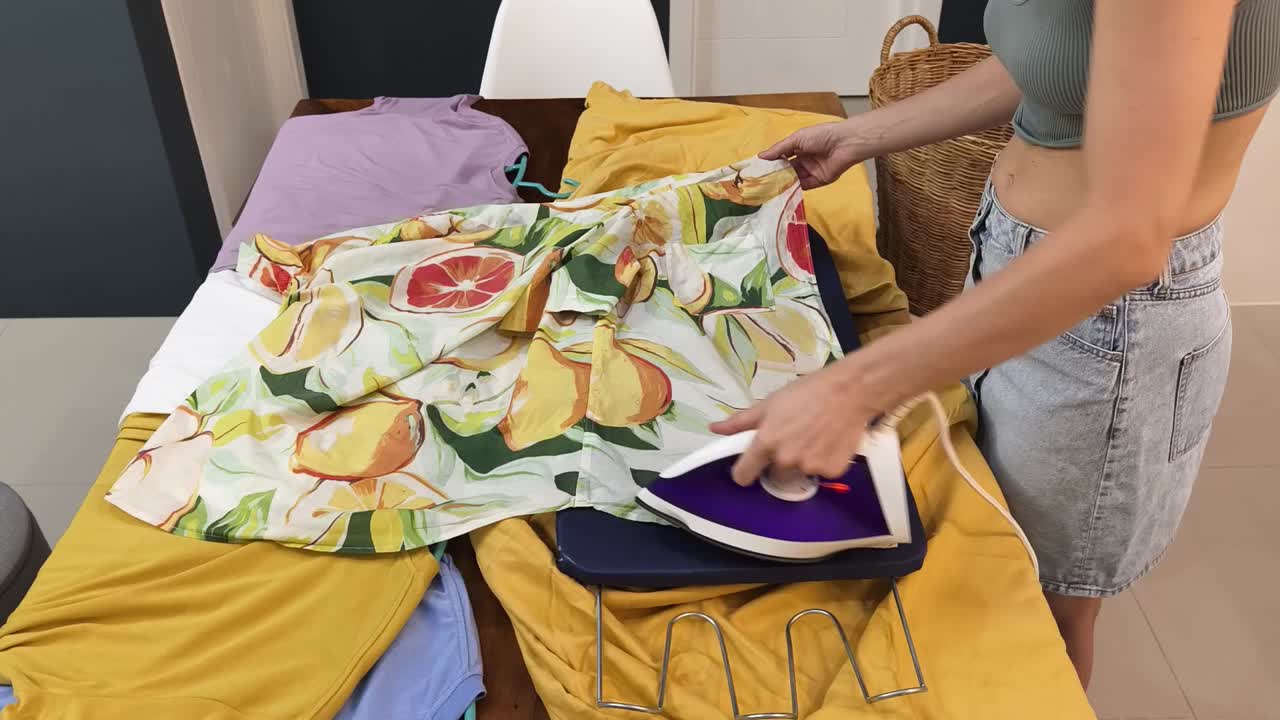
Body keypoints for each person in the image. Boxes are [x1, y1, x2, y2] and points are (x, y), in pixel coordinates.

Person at [712, 0, 1279, 689]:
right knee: (988, 553)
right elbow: (1058, 64)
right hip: (1020, 269)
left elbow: (1127, 241)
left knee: (1037, 616)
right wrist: (863, 134)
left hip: (1106, 320)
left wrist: (851, 389)